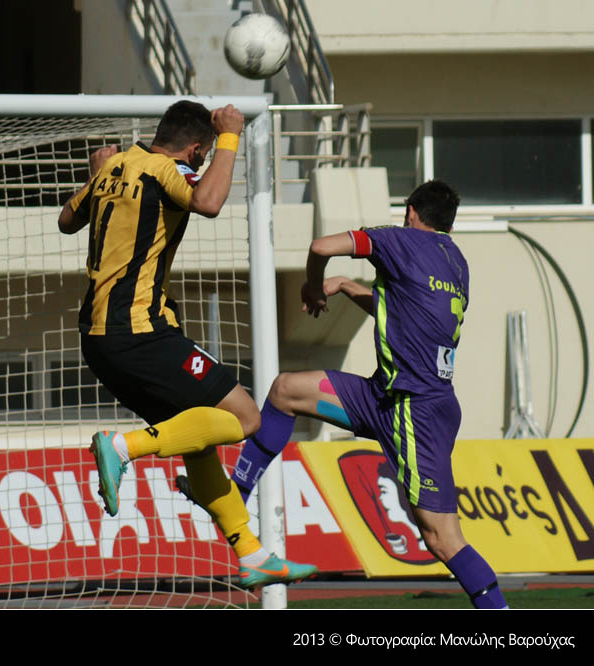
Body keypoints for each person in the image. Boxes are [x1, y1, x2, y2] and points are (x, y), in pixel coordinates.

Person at [58, 100, 316, 590]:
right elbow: (209, 202)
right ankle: (123, 447)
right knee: (246, 417)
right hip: (140, 332)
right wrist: (230, 136)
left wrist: (96, 177)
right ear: (195, 149)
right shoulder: (166, 171)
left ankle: (252, 553)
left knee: (196, 440)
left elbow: (67, 220)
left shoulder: (115, 165)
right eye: (204, 154)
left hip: (98, 338)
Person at [224, 179, 508, 608]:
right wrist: (345, 285)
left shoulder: (399, 239)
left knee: (442, 538)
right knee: (285, 391)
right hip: (384, 397)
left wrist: (314, 284)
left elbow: (320, 246)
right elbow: (400, 314)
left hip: (414, 410)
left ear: (410, 213)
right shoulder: (455, 263)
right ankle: (236, 496)